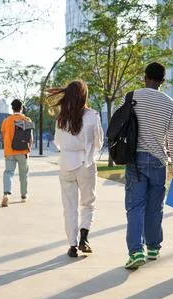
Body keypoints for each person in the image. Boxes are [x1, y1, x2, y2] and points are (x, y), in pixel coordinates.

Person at [123, 62, 173, 270]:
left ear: (145, 76)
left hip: (135, 160)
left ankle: (135, 251)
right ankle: (154, 248)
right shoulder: (170, 104)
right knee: (155, 207)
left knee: (135, 206)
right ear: (163, 81)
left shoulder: (132, 97)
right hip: (158, 162)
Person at [50, 80, 103, 258]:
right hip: (85, 163)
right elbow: (99, 142)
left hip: (65, 164)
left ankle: (72, 245)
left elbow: (57, 142)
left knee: (69, 206)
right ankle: (84, 238)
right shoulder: (92, 116)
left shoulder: (61, 118)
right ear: (84, 96)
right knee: (88, 203)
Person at [0, 99, 32, 207]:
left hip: (9, 151)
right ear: (21, 108)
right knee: (23, 174)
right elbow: (30, 137)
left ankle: (6, 194)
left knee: (8, 172)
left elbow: (3, 136)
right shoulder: (26, 120)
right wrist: (29, 149)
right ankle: (23, 196)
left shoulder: (6, 121)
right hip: (23, 151)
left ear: (12, 108)